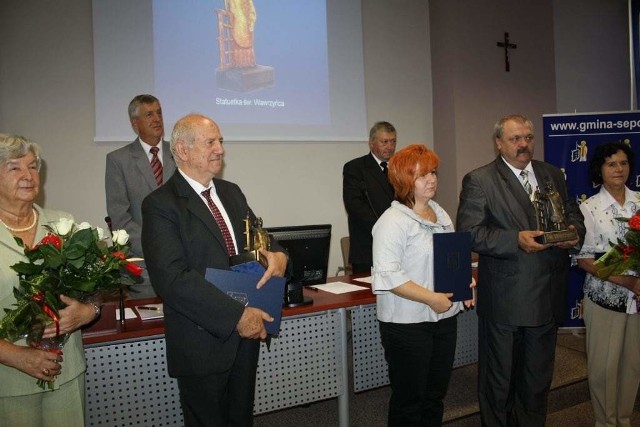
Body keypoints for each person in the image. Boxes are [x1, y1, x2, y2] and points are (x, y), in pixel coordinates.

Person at [141, 114, 288, 426]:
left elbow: (261, 237)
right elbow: (172, 279)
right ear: (182, 149)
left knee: (241, 419)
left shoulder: (231, 191)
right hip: (203, 341)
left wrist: (278, 255)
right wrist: (237, 316)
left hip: (246, 338)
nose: (220, 149)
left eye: (220, 141)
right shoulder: (160, 204)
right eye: (211, 142)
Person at [456, 114, 585, 426]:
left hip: (548, 296)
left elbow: (573, 214)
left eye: (528, 137)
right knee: (499, 384)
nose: (524, 144)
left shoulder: (552, 173)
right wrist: (515, 240)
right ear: (499, 143)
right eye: (515, 139)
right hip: (506, 301)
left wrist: (573, 232)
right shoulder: (480, 179)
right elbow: (469, 233)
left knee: (537, 382)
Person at [371, 144, 475, 426]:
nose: (431, 179)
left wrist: (465, 279)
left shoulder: (439, 213)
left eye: (432, 172)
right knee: (409, 401)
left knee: (435, 396)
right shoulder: (391, 221)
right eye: (421, 175)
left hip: (444, 318)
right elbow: (388, 276)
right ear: (404, 181)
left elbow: (448, 257)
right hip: (407, 324)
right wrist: (430, 298)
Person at [0, 134, 99, 425]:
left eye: (33, 167)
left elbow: (92, 290)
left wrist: (87, 312)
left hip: (65, 374)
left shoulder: (63, 224)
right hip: (8, 382)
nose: (28, 176)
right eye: (14, 168)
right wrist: (16, 356)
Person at [574, 141, 640, 427]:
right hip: (605, 299)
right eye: (611, 163)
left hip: (637, 302)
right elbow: (583, 259)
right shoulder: (589, 208)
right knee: (604, 369)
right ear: (599, 169)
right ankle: (606, 423)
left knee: (632, 367)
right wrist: (626, 280)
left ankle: (624, 420)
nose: (619, 169)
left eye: (623, 163)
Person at [105, 94, 176, 258]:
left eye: (159, 113)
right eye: (149, 114)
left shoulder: (179, 154)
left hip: (183, 259)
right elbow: (119, 217)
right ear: (135, 123)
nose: (157, 119)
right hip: (143, 260)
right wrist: (156, 246)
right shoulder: (118, 160)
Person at [343, 121, 397, 274]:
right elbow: (354, 206)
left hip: (398, 247)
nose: (390, 146)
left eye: (393, 141)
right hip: (368, 248)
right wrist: (385, 228)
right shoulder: (355, 168)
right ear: (371, 143)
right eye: (384, 142)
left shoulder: (400, 168)